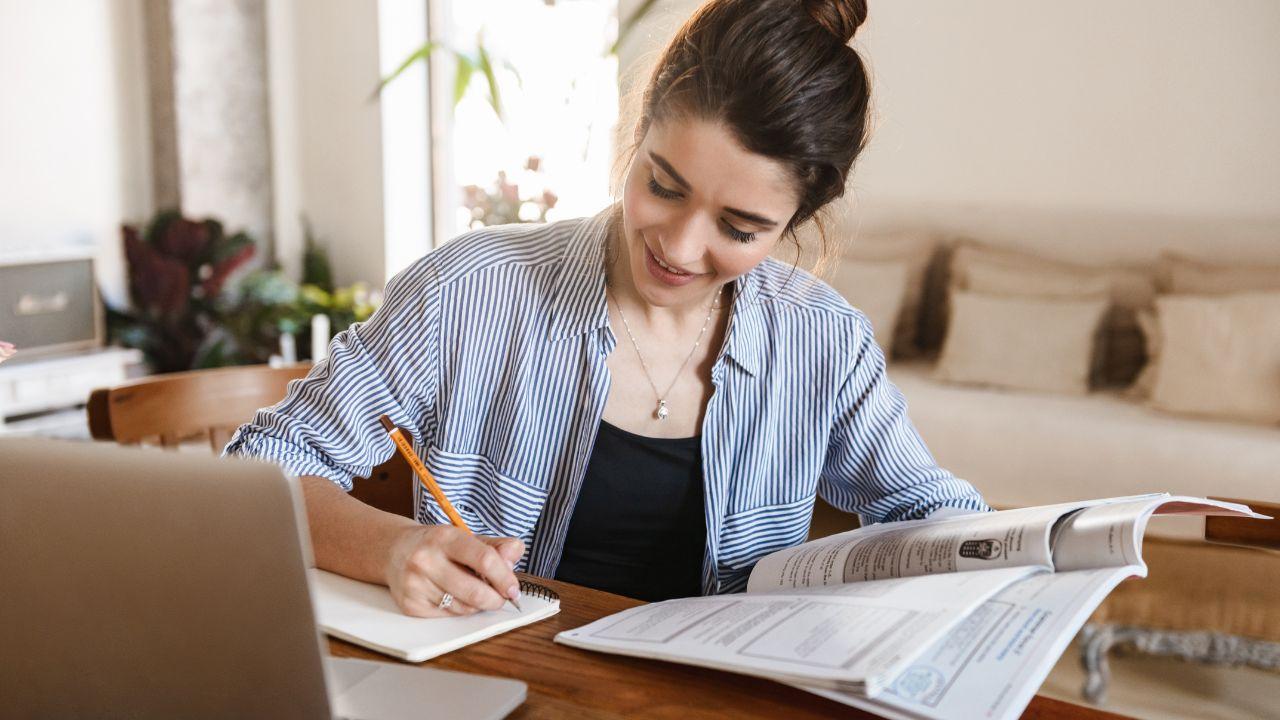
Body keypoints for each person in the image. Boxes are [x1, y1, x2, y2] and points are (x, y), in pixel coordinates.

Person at [225, 0, 987, 615]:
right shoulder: (470, 292)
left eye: (739, 228)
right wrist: (395, 548)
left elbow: (929, 514)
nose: (681, 250)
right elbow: (258, 475)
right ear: (639, 127)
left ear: (796, 222)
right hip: (507, 681)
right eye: (663, 185)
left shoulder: (823, 341)